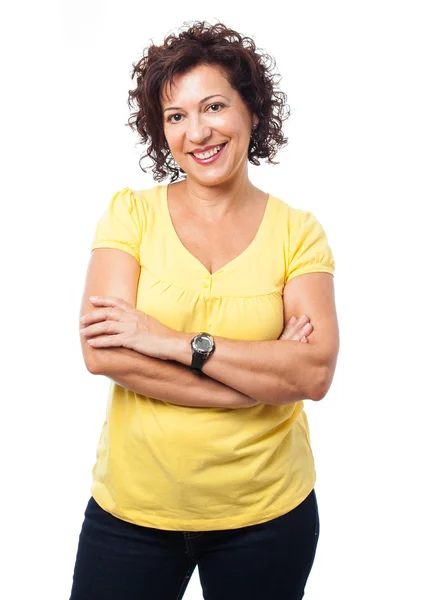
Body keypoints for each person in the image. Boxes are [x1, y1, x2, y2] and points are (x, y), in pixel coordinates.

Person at [70, 20, 339, 600]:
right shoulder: (129, 216)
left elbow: (313, 373)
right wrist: (253, 385)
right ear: (160, 130)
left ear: (252, 113)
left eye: (214, 106)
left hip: (268, 516)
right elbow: (101, 352)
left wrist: (172, 341)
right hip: (132, 514)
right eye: (176, 116)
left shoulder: (299, 233)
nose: (198, 132)